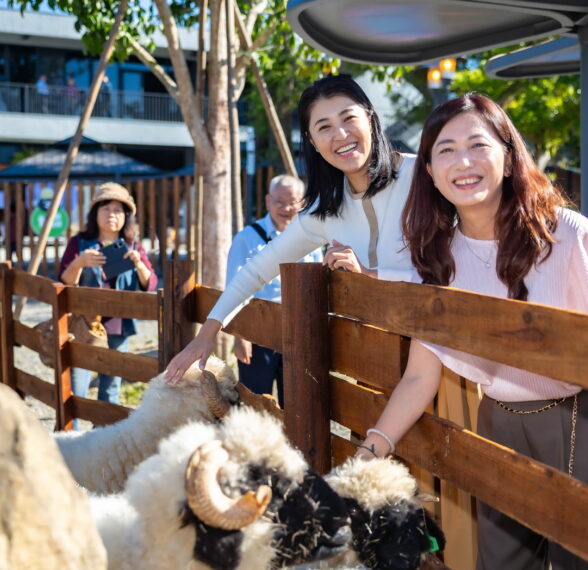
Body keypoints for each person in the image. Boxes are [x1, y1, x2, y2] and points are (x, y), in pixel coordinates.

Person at [355, 94, 588, 569]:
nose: (463, 162)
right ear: (429, 172)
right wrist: (370, 449)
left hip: (580, 424)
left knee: (584, 561)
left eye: (478, 145)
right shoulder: (438, 256)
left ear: (507, 156)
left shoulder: (568, 234)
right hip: (496, 423)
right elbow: (420, 375)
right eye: (445, 150)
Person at [164, 74, 416, 384]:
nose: (340, 134)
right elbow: (255, 273)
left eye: (349, 118)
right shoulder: (324, 211)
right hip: (374, 366)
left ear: (370, 117)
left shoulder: (423, 177)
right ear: (311, 141)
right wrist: (205, 336)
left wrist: (369, 276)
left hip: (446, 357)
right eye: (324, 127)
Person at [227, 175, 322, 407]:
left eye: (293, 202)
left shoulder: (311, 238)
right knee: (255, 403)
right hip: (257, 331)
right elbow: (233, 288)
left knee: (298, 402)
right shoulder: (247, 238)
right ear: (268, 201)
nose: (286, 208)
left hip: (299, 330)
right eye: (280, 202)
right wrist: (240, 336)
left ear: (303, 203)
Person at [59, 183, 157, 406]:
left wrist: (139, 263)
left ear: (126, 217)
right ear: (95, 214)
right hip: (84, 323)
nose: (111, 214)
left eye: (117, 210)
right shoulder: (79, 243)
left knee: (111, 386)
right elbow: (65, 282)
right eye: (106, 208)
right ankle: (70, 435)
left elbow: (149, 284)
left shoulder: (133, 246)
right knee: (76, 386)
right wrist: (79, 262)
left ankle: (103, 435)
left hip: (119, 324)